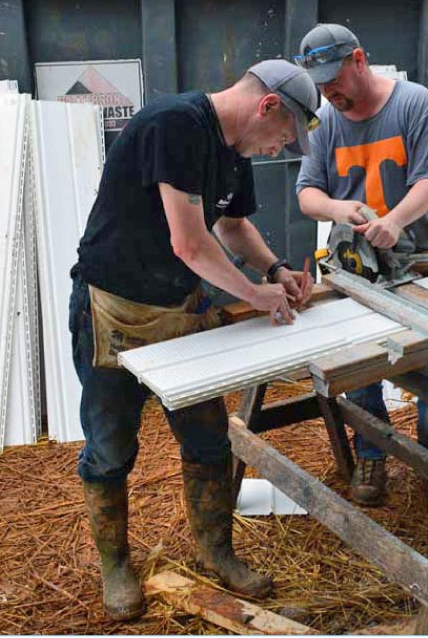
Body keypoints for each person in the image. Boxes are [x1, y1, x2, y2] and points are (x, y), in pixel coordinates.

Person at [69, 60, 318, 620]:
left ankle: (216, 551)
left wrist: (275, 270)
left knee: (208, 442)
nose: (280, 149)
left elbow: (231, 227)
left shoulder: (235, 149)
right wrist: (255, 297)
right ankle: (116, 567)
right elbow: (190, 243)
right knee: (110, 448)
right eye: (283, 137)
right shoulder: (175, 124)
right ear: (267, 106)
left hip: (182, 309)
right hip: (114, 311)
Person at [294, 23, 428, 508]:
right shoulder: (324, 121)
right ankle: (371, 452)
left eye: (335, 79)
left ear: (359, 60)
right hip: (355, 266)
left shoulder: (413, 103)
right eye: (321, 86)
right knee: (359, 364)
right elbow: (307, 194)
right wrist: (338, 209)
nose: (330, 93)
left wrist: (396, 220)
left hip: (415, 257)